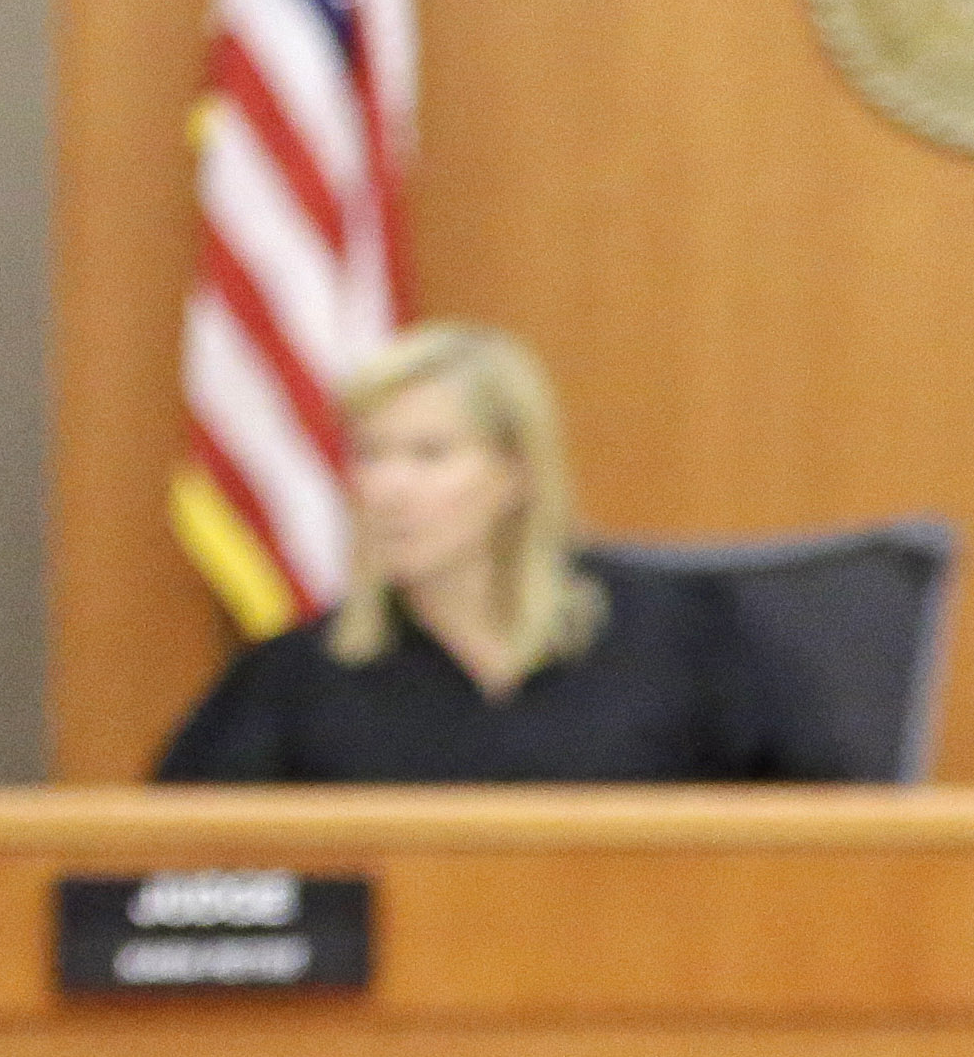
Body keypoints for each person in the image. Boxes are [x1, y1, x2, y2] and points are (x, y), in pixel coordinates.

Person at [155, 321, 843, 781]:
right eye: (370, 456)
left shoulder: (677, 638)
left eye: (429, 454)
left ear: (516, 473)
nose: (387, 489)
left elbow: (826, 837)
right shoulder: (297, 678)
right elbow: (164, 876)